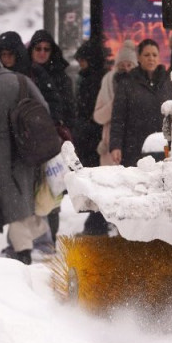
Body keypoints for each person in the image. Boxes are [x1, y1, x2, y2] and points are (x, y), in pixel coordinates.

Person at [0, 53, 51, 265]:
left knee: (14, 203)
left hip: (0, 153)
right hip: (28, 148)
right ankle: (31, 240)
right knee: (24, 197)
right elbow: (43, 107)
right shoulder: (22, 80)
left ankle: (23, 250)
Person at [27, 30, 76, 250]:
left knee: (53, 188)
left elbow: (69, 108)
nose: (42, 53)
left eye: (46, 49)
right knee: (29, 189)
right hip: (27, 139)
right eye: (38, 48)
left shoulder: (60, 76)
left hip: (52, 140)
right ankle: (30, 238)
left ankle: (49, 237)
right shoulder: (24, 73)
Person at [109, 39, 172, 167]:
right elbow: (118, 118)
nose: (151, 59)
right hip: (134, 147)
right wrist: (116, 146)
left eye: (154, 55)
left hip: (162, 145)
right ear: (138, 57)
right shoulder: (127, 83)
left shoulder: (168, 81)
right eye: (147, 55)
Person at [73, 38, 110, 235]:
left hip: (92, 138)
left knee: (95, 181)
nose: (80, 64)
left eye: (83, 60)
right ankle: (96, 221)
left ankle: (96, 222)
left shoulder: (92, 80)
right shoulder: (93, 78)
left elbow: (89, 110)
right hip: (91, 137)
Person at [94, 40, 137, 167]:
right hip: (110, 147)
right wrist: (115, 104)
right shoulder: (108, 81)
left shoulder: (140, 83)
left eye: (130, 65)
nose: (126, 69)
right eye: (122, 65)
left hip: (134, 143)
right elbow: (98, 117)